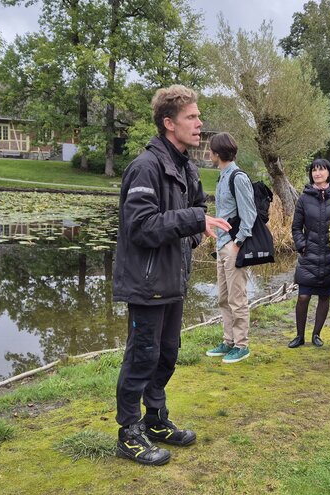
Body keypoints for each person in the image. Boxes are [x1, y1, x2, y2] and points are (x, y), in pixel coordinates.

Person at [112, 85, 231, 466]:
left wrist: (196, 229)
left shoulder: (186, 167)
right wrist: (195, 221)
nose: (200, 125)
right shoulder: (145, 167)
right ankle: (128, 434)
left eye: (199, 117)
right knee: (141, 358)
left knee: (166, 355)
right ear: (169, 123)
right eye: (192, 118)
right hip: (146, 284)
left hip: (173, 281)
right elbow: (141, 226)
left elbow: (198, 209)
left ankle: (156, 420)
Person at [204, 132, 257, 364]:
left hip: (233, 246)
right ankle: (228, 341)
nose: (209, 154)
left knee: (237, 298)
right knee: (223, 298)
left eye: (211, 150)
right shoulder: (222, 176)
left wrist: (238, 243)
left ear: (217, 153)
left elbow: (250, 215)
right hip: (221, 244)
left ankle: (242, 345)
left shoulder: (237, 177)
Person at [289, 158, 330, 348]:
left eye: (321, 170)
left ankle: (316, 335)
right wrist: (302, 246)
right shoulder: (304, 198)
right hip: (309, 254)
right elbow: (296, 227)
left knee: (325, 296)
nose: (317, 173)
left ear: (328, 172)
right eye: (314, 170)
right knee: (303, 296)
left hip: (329, 255)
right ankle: (299, 336)